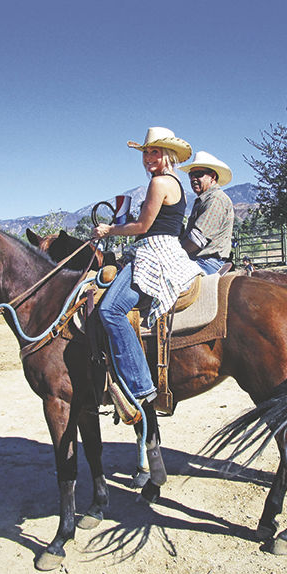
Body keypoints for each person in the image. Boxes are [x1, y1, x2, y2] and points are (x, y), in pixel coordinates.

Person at [92, 126, 203, 403]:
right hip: (163, 248)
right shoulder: (174, 183)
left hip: (154, 253)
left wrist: (109, 231)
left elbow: (143, 227)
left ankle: (140, 386)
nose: (148, 157)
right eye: (145, 153)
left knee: (110, 310)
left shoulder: (159, 183)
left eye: (154, 152)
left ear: (167, 154)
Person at [178, 151, 235, 274]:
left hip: (207, 262)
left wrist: (173, 254)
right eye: (191, 175)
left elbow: (197, 241)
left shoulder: (215, 199)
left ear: (213, 177)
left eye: (198, 174)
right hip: (199, 260)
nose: (193, 179)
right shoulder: (203, 200)